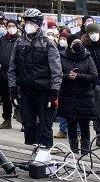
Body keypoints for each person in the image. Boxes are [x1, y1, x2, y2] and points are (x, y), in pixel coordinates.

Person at [8, 8, 62, 150]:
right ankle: (29, 157)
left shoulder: (48, 43)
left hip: (44, 92)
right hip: (26, 92)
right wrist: (13, 91)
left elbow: (56, 71)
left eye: (31, 22)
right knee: (28, 126)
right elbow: (12, 69)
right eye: (26, 22)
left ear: (38, 24)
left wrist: (54, 93)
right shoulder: (19, 43)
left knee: (45, 127)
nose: (28, 25)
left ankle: (47, 159)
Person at [58, 36, 98, 154]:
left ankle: (85, 152)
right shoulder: (62, 57)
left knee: (84, 125)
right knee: (71, 124)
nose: (78, 44)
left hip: (84, 96)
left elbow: (94, 76)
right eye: (75, 43)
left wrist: (79, 76)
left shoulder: (87, 57)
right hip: (67, 95)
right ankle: (73, 151)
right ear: (69, 45)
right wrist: (66, 76)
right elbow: (57, 74)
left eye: (79, 42)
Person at [0, 20, 19, 129]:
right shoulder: (1, 40)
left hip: (17, 74)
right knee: (5, 99)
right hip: (3, 73)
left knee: (18, 98)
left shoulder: (19, 40)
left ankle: (23, 121)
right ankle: (7, 120)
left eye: (13, 26)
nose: (11, 28)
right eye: (9, 26)